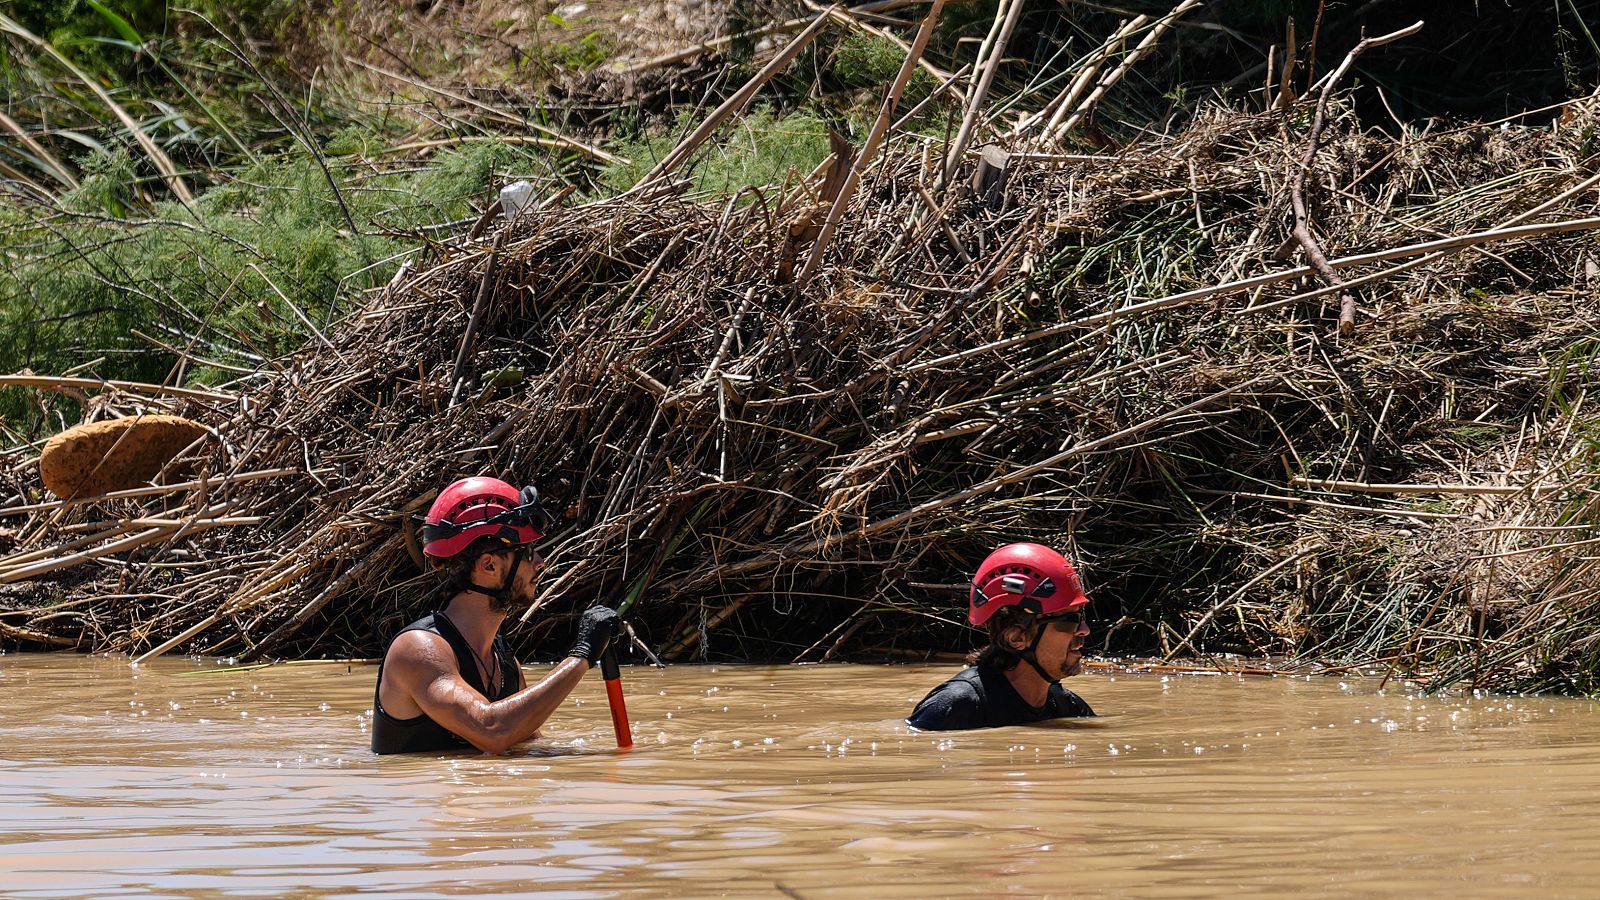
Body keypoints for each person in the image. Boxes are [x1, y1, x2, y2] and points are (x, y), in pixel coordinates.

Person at [372, 476, 618, 754]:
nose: (540, 562)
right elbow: (492, 730)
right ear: (488, 565)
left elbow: (529, 744)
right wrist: (581, 656)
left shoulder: (504, 663)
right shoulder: (417, 649)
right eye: (526, 552)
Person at [907, 542, 1095, 731]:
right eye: (1069, 620)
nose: (1084, 629)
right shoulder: (955, 706)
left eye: (1082, 616)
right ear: (1016, 638)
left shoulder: (1067, 708)